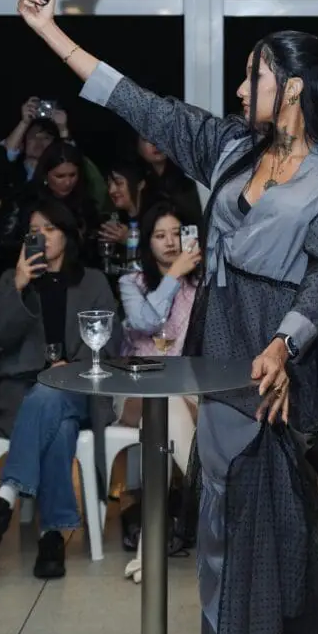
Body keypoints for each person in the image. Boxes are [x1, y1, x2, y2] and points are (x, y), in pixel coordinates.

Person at [17, 0, 318, 634]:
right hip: (220, 356)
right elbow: (136, 102)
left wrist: (285, 347)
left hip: (280, 367)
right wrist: (49, 34)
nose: (241, 89)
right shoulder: (226, 148)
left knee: (279, 538)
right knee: (230, 540)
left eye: (253, 76)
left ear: (290, 88)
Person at [0, 199, 120, 580]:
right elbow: (0, 337)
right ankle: (51, 536)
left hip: (79, 387)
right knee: (58, 427)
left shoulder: (93, 281)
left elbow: (111, 342)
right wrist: (19, 286)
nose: (41, 237)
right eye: (34, 231)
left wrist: (70, 369)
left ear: (68, 236)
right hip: (23, 392)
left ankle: (5, 496)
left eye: (50, 229)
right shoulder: (13, 279)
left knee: (52, 394)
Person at [117, 201, 202, 583]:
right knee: (163, 405)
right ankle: (215, 496)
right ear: (146, 243)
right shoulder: (131, 282)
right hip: (137, 388)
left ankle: (146, 553)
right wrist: (173, 277)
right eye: (159, 235)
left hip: (187, 391)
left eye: (176, 233)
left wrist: (188, 275)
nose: (170, 242)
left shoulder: (202, 285)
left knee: (165, 426)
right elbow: (145, 321)